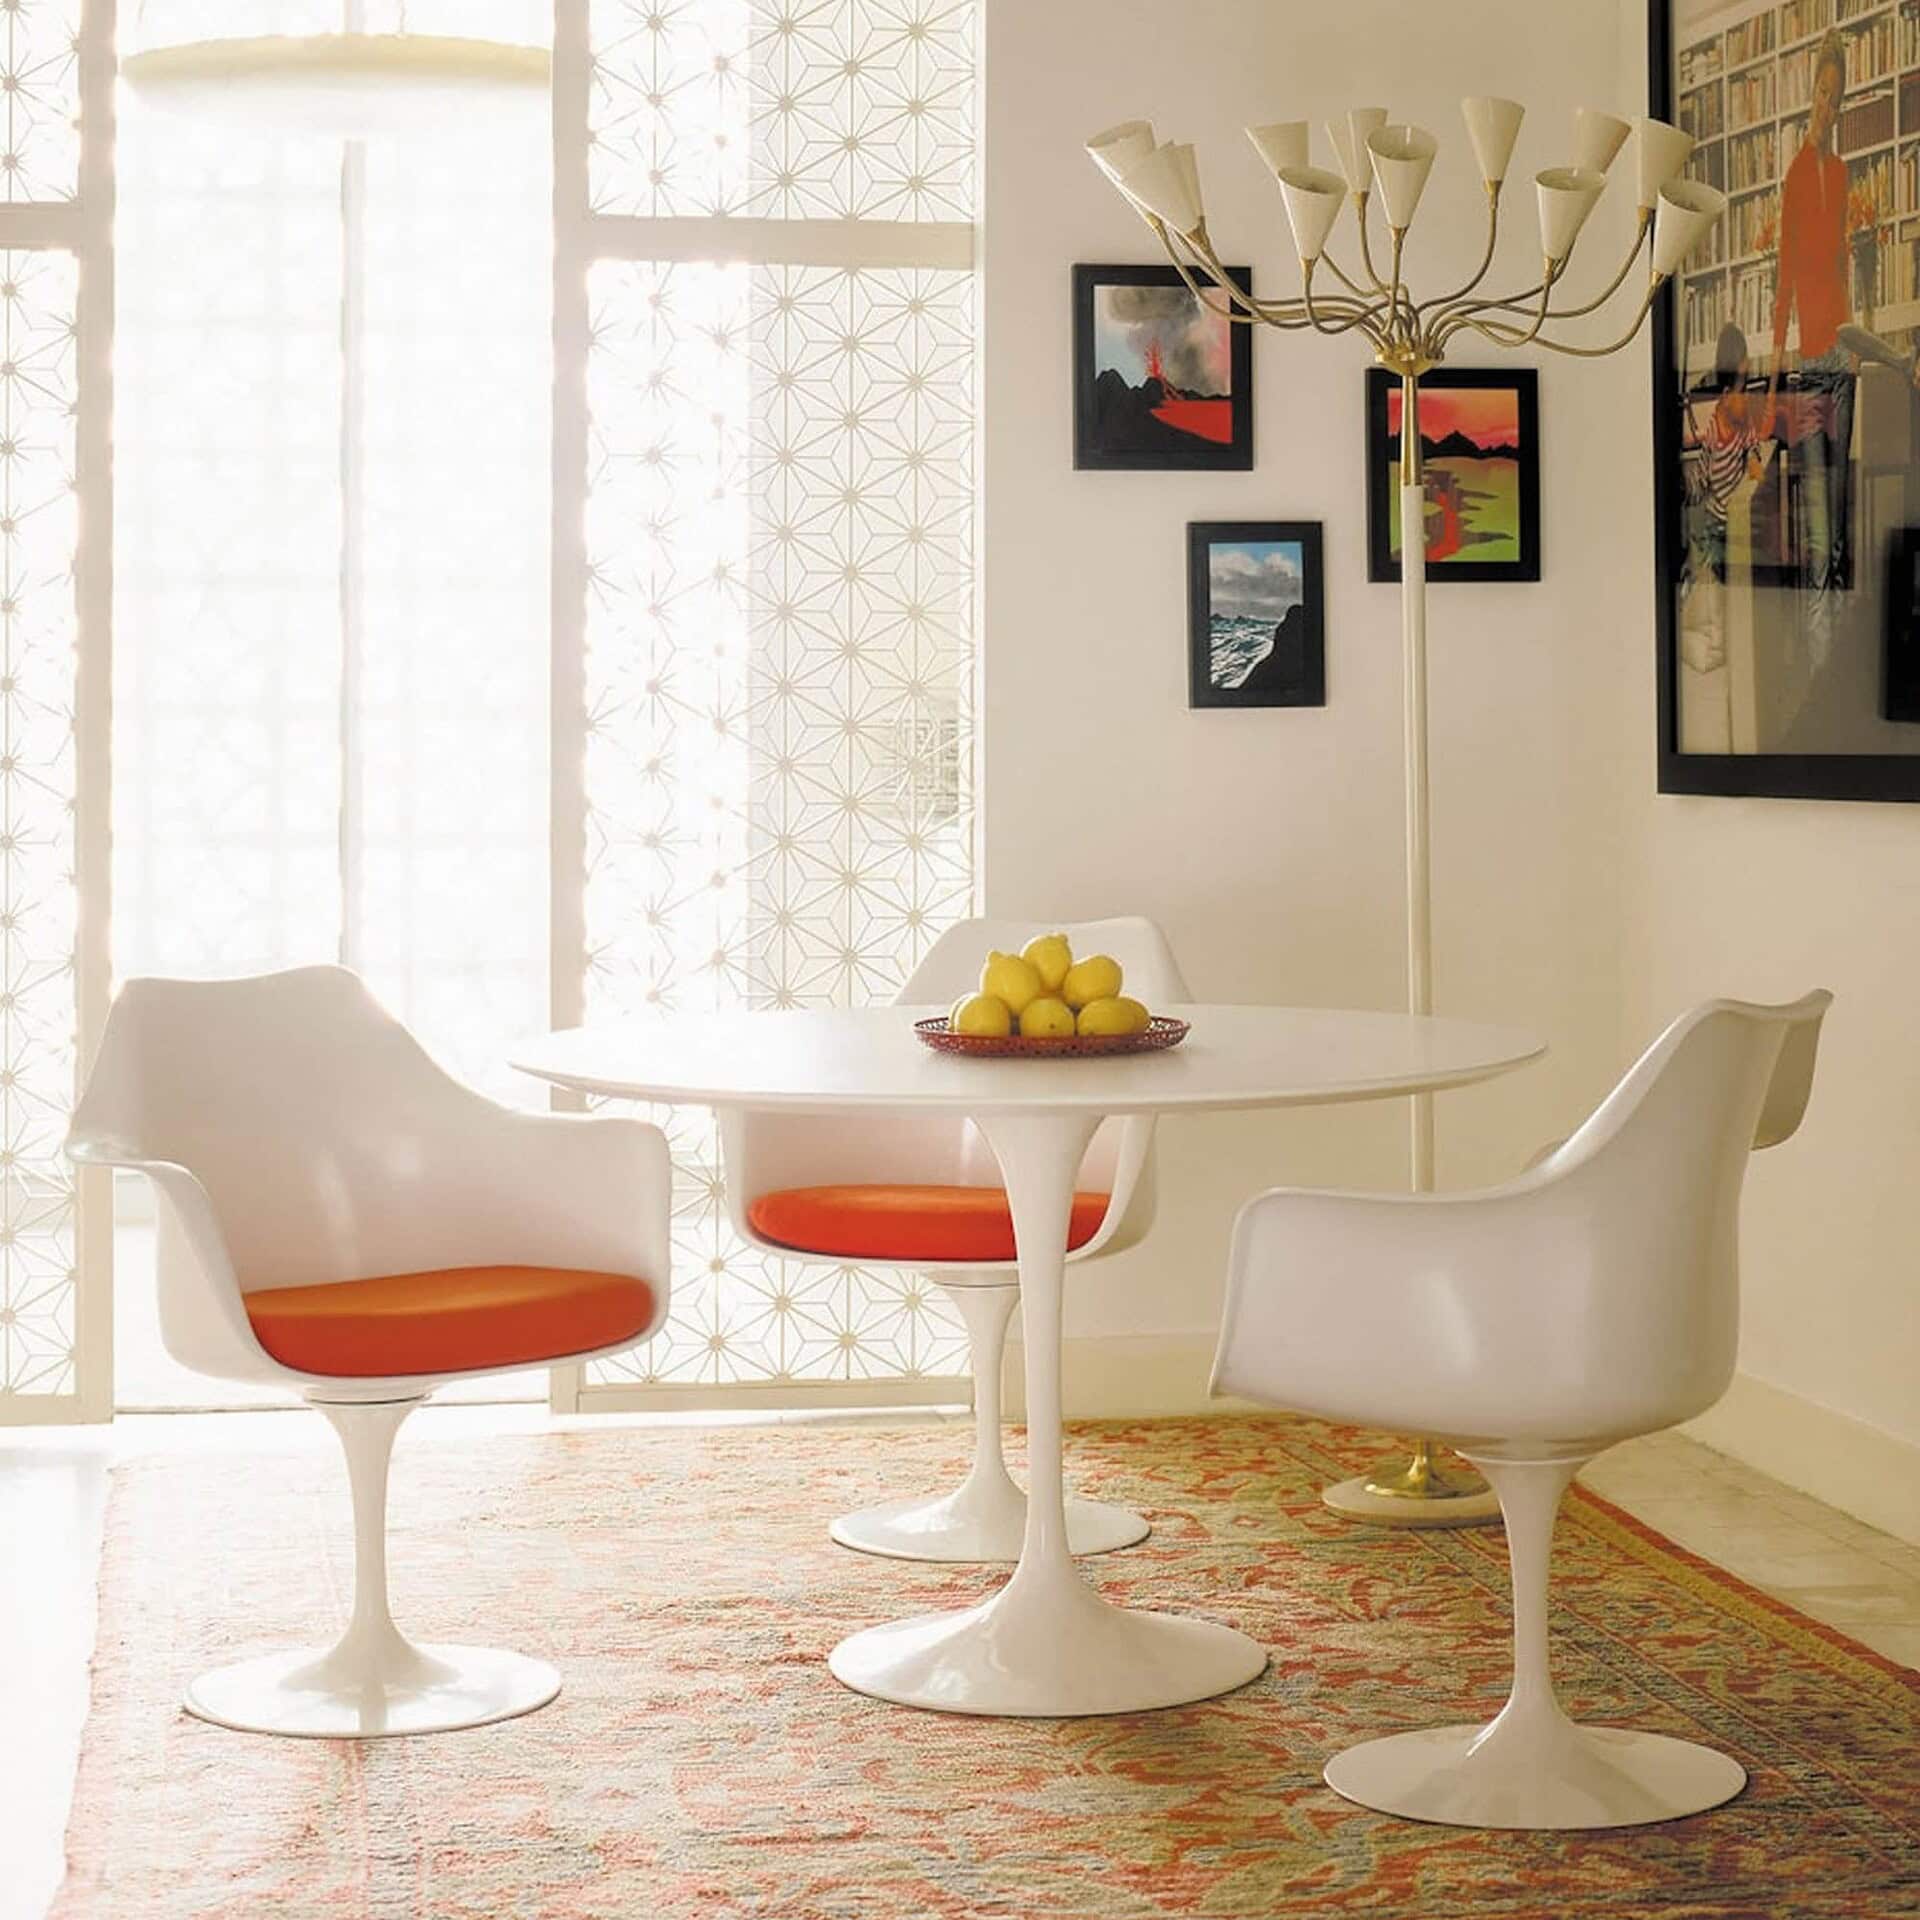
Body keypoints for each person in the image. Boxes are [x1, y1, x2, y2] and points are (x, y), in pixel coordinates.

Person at [1765, 27, 1854, 665]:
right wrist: (1774, 376)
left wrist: (1853, 343)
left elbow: (1842, 266)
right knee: (1818, 513)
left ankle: (1840, 641)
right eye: (1821, 93)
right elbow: (1784, 281)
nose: (1827, 104)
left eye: (1836, 95)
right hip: (1809, 369)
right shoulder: (1796, 176)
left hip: (1841, 359)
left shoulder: (1843, 175)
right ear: (1811, 100)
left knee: (1840, 506)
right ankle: (1821, 652)